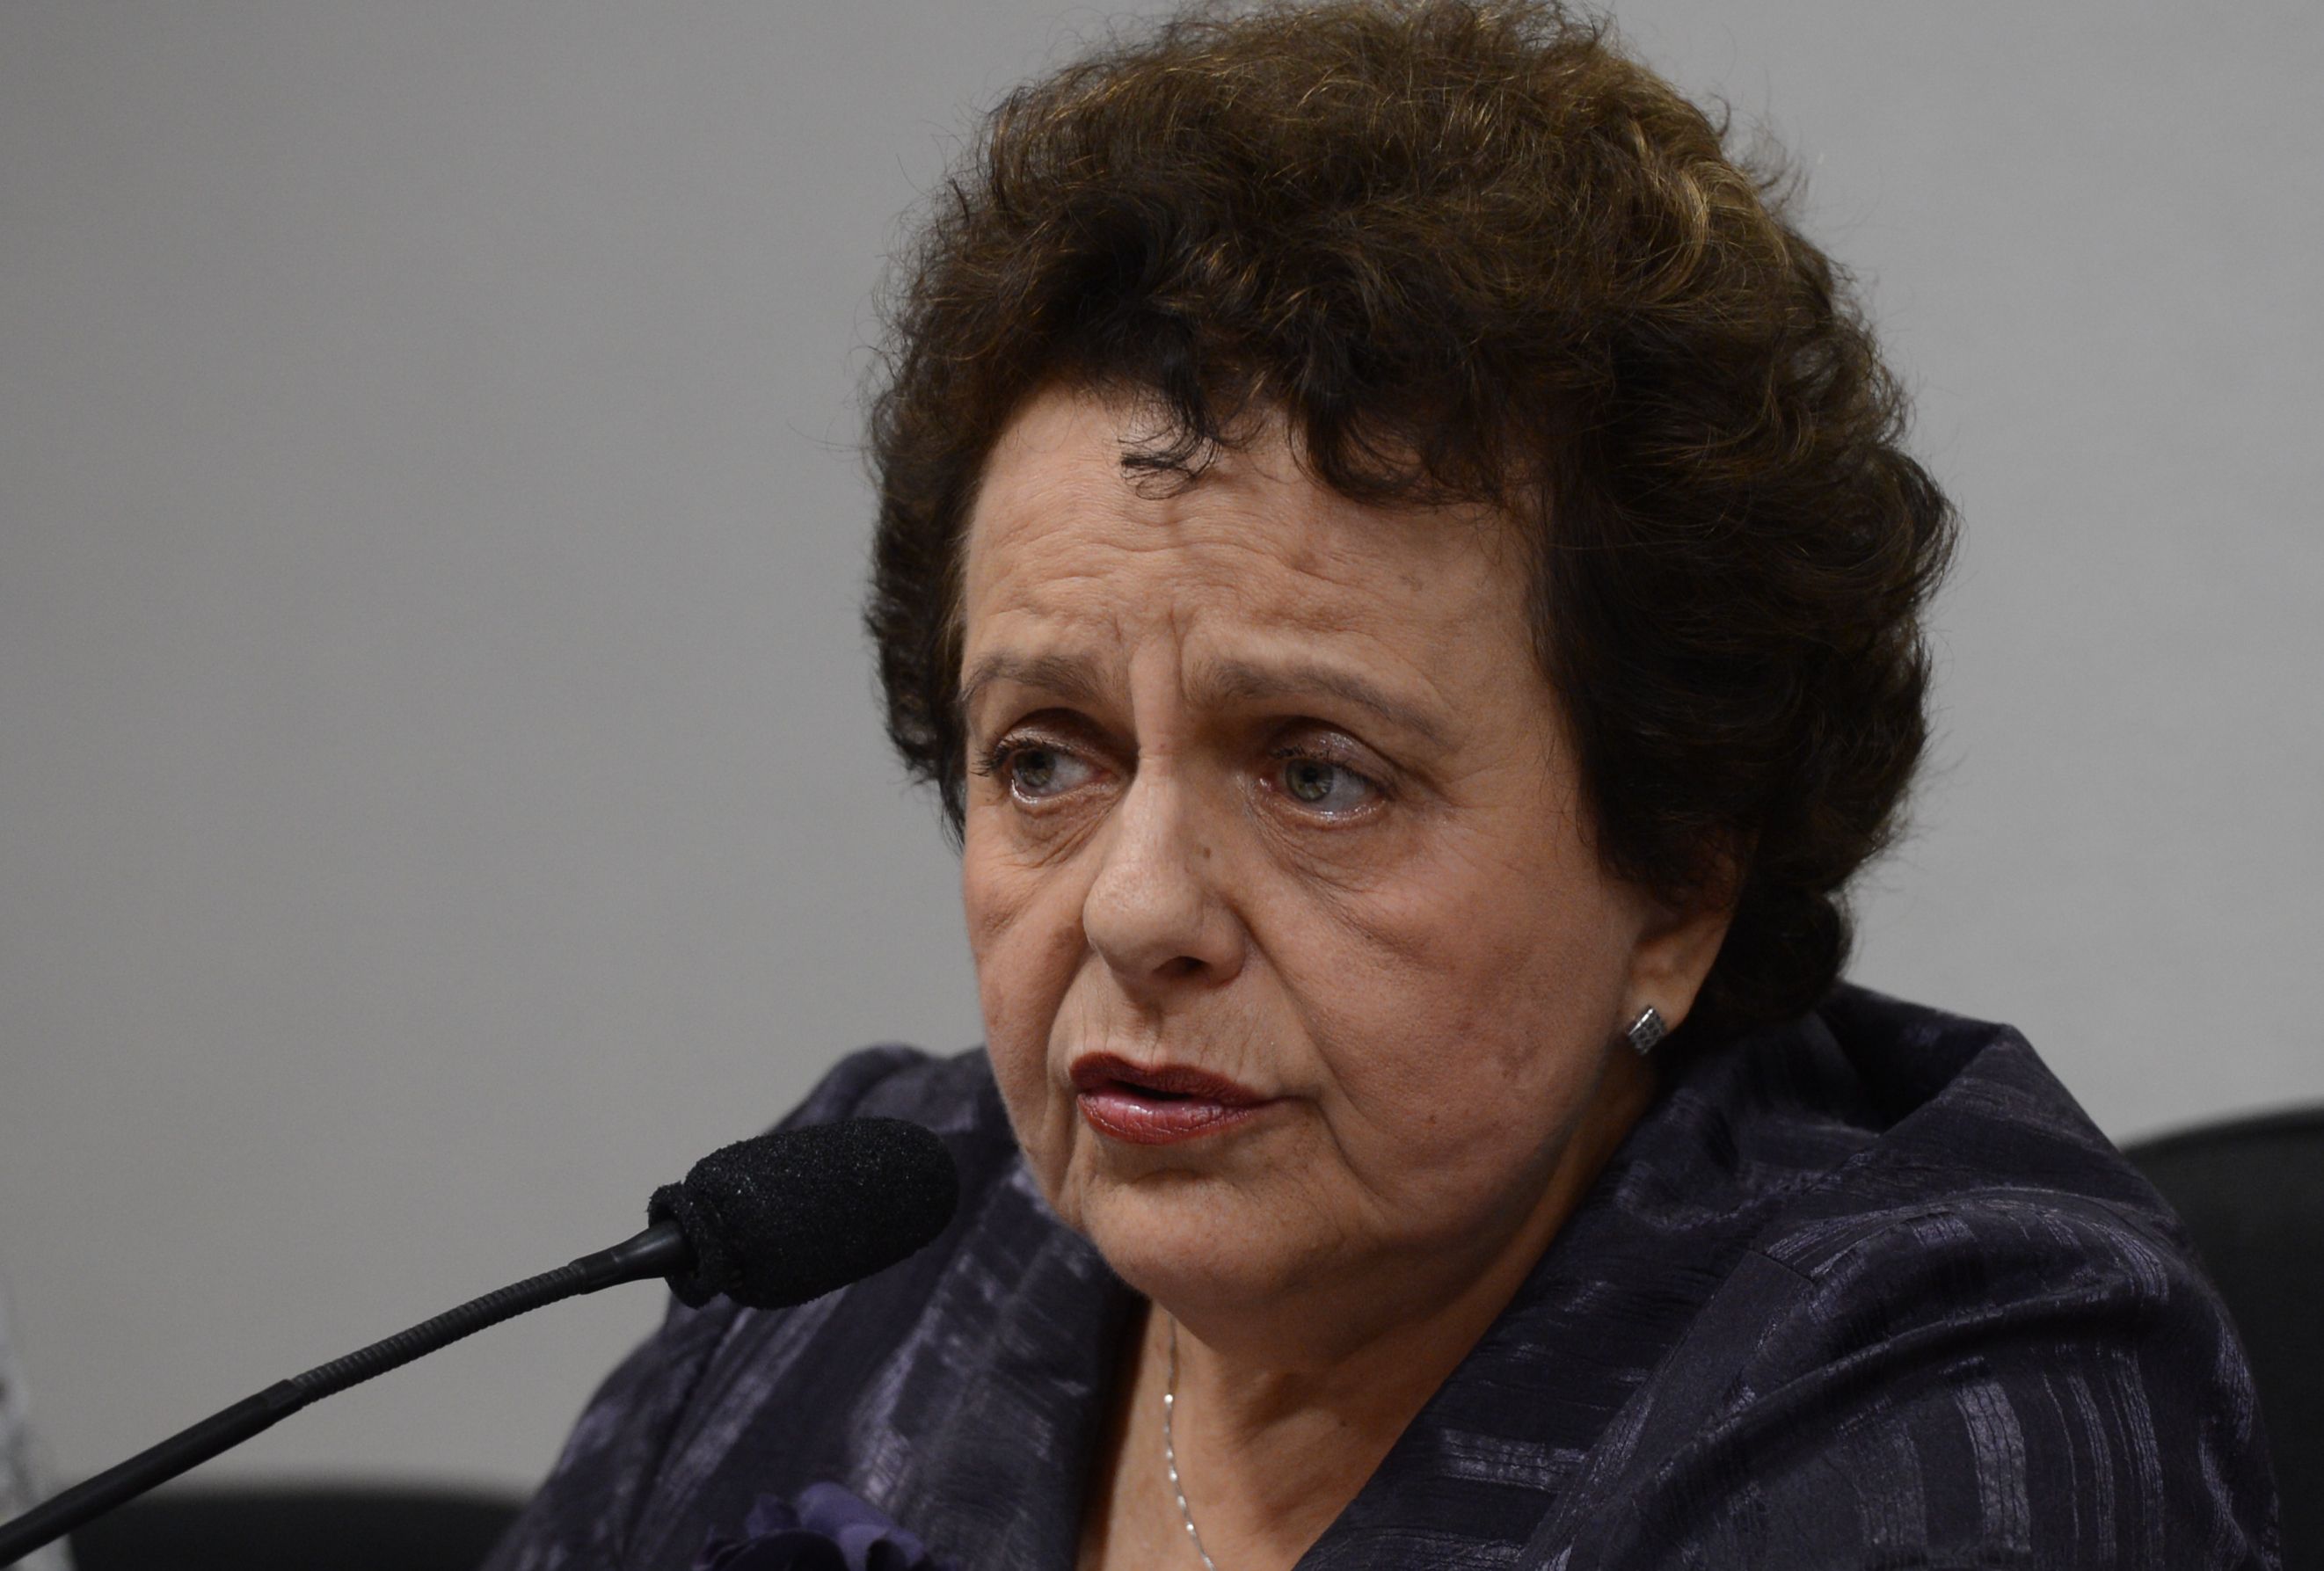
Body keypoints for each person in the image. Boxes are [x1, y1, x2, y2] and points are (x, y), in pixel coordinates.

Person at [484, 3, 2281, 1567]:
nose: (1136, 908)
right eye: (1044, 757)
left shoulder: (1948, 1403)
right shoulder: (852, 1272)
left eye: (1318, 775)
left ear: (1676, 873)